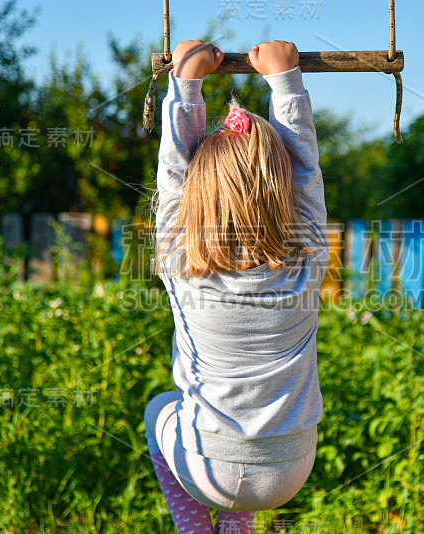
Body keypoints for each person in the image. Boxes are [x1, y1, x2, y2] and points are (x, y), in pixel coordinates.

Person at [143, 38, 329, 534]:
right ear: (281, 187)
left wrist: (185, 84)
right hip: (289, 469)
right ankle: (238, 525)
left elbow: (173, 173)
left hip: (205, 470)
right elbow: (306, 172)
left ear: (198, 197)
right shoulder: (306, 257)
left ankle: (196, 527)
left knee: (158, 408)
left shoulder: (181, 261)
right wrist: (284, 81)